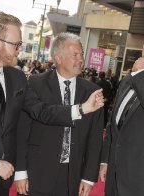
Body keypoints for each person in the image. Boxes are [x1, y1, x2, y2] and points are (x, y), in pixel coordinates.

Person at [0, 12, 104, 196]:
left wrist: (82, 109)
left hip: (1, 183)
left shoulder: (16, 78)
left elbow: (41, 111)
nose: (19, 49)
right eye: (16, 44)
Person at [14, 32, 104, 196]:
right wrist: (20, 171)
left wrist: (88, 177)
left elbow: (95, 138)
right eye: (75, 54)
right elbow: (22, 130)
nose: (81, 59)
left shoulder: (93, 92)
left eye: (81, 54)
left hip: (72, 176)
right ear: (58, 58)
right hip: (37, 171)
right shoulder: (35, 83)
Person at [99, 22, 144, 196]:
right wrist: (106, 159)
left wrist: (143, 73)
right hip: (115, 178)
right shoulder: (130, 79)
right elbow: (113, 123)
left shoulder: (140, 76)